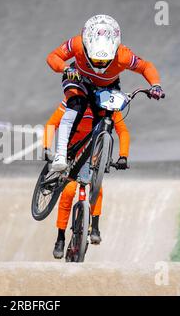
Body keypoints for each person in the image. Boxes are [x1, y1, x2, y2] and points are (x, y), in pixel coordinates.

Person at [46, 14, 164, 172]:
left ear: (114, 51)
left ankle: (92, 160)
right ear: (87, 46)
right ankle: (60, 155)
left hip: (107, 87)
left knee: (103, 116)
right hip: (79, 78)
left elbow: (146, 67)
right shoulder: (77, 43)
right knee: (76, 106)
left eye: (104, 61)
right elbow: (53, 57)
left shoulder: (124, 55)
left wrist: (155, 85)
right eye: (95, 60)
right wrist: (66, 69)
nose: (100, 65)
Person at [42, 100, 130, 258]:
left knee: (98, 188)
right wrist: (46, 147)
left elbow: (122, 131)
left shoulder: (109, 103)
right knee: (68, 192)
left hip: (93, 157)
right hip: (72, 154)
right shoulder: (75, 99)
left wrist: (123, 156)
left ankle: (95, 226)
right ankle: (60, 238)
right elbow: (52, 124)